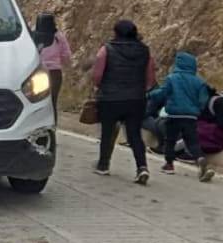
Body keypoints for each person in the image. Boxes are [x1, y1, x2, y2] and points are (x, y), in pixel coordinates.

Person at [91, 19, 156, 184]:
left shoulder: (107, 49)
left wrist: (100, 87)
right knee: (134, 135)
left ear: (116, 32)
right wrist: (140, 90)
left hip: (110, 99)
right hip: (136, 99)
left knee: (107, 132)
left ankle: (103, 165)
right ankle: (142, 167)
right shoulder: (145, 51)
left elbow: (97, 75)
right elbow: (150, 79)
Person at [148, 52, 216, 182]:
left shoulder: (172, 78)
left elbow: (163, 93)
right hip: (191, 117)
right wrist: (196, 110)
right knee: (192, 141)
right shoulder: (199, 82)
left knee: (170, 140)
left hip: (174, 115)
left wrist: (150, 95)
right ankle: (200, 158)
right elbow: (203, 100)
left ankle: (169, 165)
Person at [34, 13, 73, 117]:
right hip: (55, 73)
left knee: (37, 102)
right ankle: (53, 124)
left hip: (37, 73)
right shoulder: (58, 37)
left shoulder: (32, 37)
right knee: (52, 102)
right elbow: (66, 55)